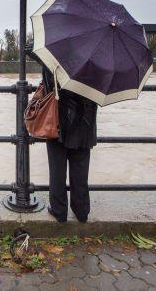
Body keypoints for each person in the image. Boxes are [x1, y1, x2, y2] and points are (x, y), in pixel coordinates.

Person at [26, 43, 98, 223]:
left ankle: (59, 211)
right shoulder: (96, 58)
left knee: (57, 170)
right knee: (80, 170)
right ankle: (81, 211)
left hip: (57, 120)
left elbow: (30, 49)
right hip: (85, 122)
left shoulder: (53, 57)